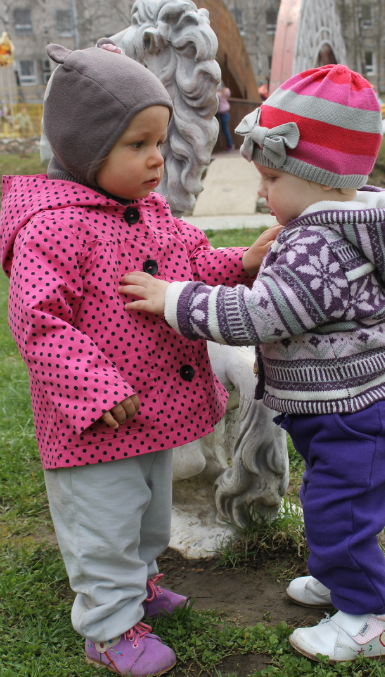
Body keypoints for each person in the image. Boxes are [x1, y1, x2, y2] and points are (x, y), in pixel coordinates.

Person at [119, 64, 385, 665]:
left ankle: (369, 618)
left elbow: (260, 315)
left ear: (320, 179)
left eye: (272, 177)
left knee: (340, 514)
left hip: (358, 414)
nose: (263, 193)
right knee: (332, 504)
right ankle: (341, 580)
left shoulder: (319, 244)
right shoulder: (340, 226)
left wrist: (174, 298)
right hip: (355, 407)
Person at [0, 40, 280, 676]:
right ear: (86, 149)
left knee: (148, 514)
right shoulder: (53, 225)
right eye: (138, 144)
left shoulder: (149, 211)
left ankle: (142, 586)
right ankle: (108, 625)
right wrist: (94, 388)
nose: (158, 157)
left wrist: (240, 262)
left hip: (154, 411)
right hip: (96, 424)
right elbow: (39, 321)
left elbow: (192, 259)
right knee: (103, 524)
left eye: (160, 140)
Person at [217, 82, 234, 150]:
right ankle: (230, 144)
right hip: (225, 114)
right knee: (225, 130)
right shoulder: (222, 94)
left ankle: (230, 144)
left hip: (224, 114)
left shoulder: (218, 95)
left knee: (225, 130)